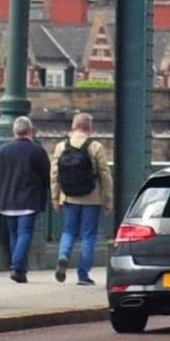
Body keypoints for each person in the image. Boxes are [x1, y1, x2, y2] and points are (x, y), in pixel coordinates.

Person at [0, 114, 52, 281]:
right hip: (29, 200)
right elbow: (47, 176)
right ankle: (16, 267)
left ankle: (20, 271)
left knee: (15, 234)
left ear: (14, 132)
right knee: (25, 234)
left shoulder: (3, 151)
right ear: (30, 131)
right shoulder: (37, 151)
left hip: (7, 200)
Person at [51, 110, 111, 285]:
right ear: (89, 128)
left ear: (73, 126)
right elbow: (105, 175)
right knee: (89, 236)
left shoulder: (61, 146)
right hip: (92, 198)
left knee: (68, 231)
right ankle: (83, 275)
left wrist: (55, 197)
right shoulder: (95, 147)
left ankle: (63, 256)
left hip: (69, 197)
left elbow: (54, 174)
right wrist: (107, 198)